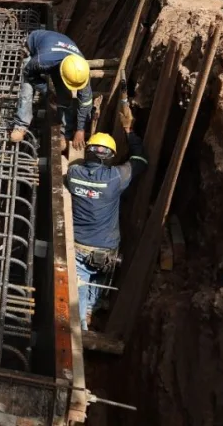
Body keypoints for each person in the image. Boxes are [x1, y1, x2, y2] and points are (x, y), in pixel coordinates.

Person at [68, 107, 147, 329]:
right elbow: (140, 160)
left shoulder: (74, 175)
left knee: (80, 286)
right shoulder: (115, 178)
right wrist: (129, 130)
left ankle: (82, 321)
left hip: (79, 245)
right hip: (107, 249)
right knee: (99, 279)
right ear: (110, 157)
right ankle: (90, 312)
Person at [10, 30, 92, 150]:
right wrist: (47, 91)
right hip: (34, 47)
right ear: (63, 73)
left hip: (58, 52)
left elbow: (85, 103)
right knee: (27, 90)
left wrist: (80, 130)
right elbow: (28, 73)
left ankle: (65, 133)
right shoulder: (41, 61)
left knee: (65, 95)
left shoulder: (81, 70)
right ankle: (21, 125)